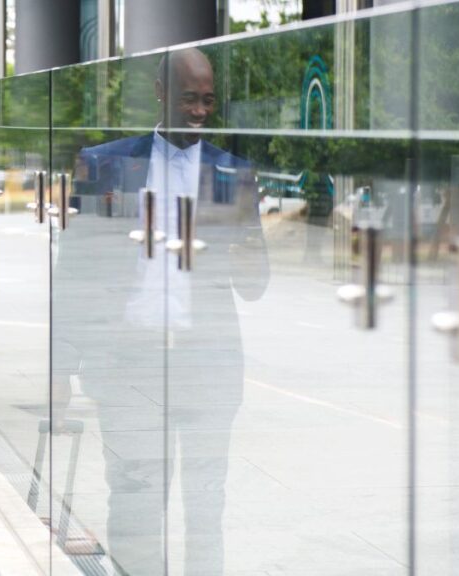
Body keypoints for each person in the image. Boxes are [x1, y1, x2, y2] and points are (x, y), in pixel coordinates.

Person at [55, 47, 268, 574]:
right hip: (129, 365)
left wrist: (248, 256)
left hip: (208, 369)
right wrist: (60, 368)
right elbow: (75, 272)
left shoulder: (232, 172)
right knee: (133, 503)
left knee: (205, 507)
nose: (199, 111)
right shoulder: (105, 165)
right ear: (160, 92)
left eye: (208, 101)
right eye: (188, 99)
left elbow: (254, 285)